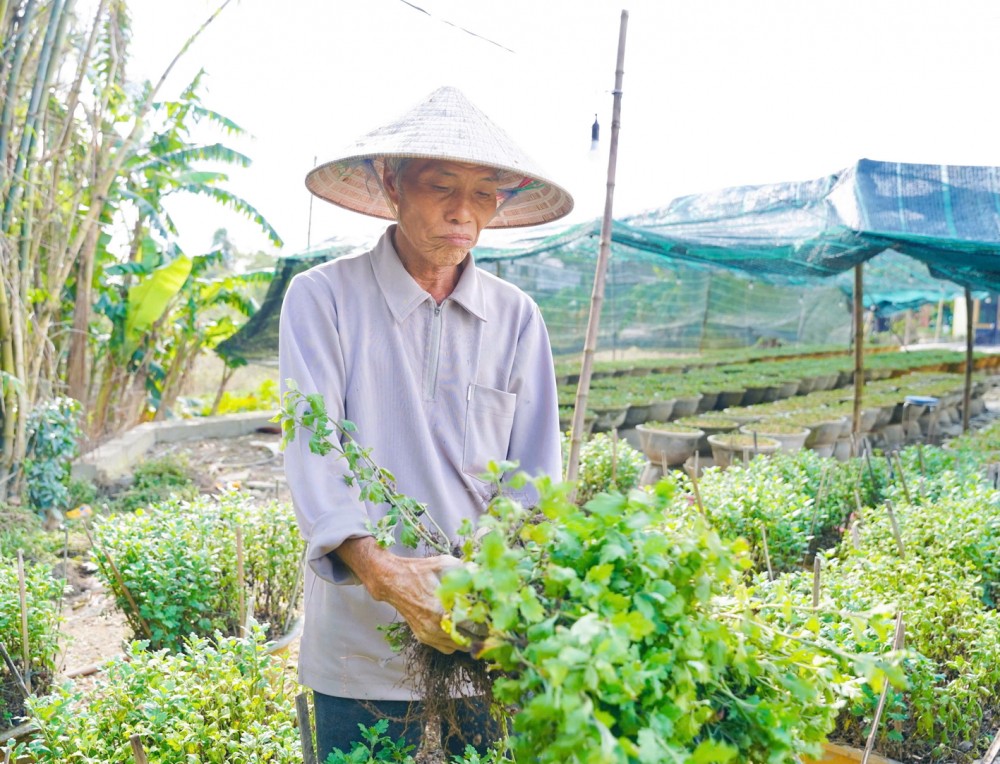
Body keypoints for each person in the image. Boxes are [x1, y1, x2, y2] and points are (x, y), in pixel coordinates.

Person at [278, 86, 574, 760]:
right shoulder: (323, 299)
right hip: (359, 643)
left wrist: (504, 595)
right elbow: (312, 453)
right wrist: (384, 573)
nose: (463, 213)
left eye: (485, 194)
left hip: (481, 639)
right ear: (392, 183)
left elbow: (533, 483)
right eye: (442, 186)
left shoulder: (518, 318)